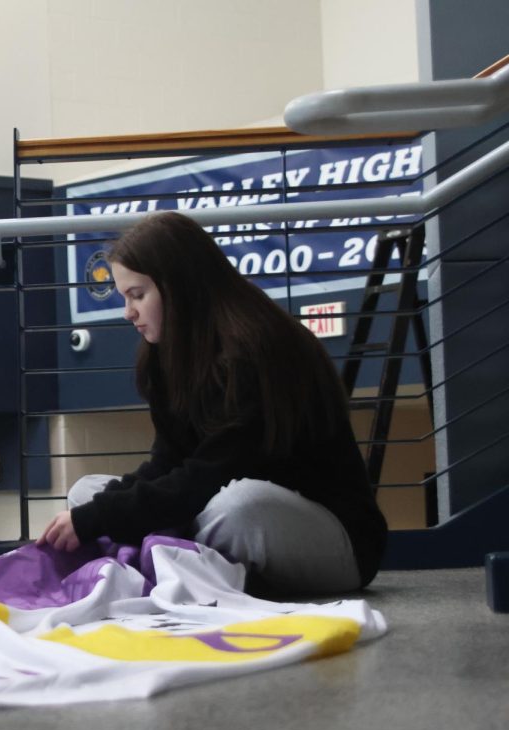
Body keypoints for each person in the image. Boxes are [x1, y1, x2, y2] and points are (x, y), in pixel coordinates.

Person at [37, 211, 387, 596]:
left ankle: (168, 563)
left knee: (237, 507)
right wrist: (94, 511)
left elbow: (208, 477)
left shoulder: (261, 349)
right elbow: (168, 464)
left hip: (330, 543)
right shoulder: (168, 353)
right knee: (86, 492)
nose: (128, 312)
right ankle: (179, 564)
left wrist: (101, 518)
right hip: (215, 512)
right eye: (125, 297)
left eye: (137, 295)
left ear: (179, 286)